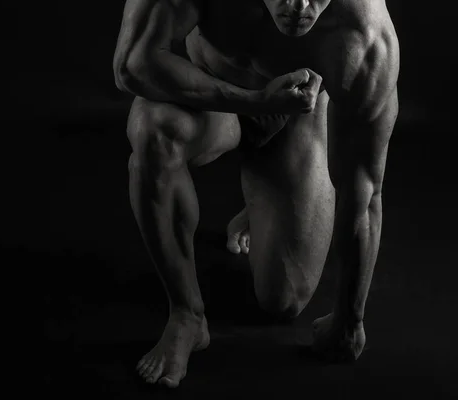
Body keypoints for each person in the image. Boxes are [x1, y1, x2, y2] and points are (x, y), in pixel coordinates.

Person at [113, 0, 399, 388]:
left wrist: (350, 318)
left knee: (283, 301)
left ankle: (260, 201)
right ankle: (187, 315)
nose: (299, 6)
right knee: (152, 133)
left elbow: (364, 186)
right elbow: (132, 64)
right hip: (207, 98)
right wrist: (255, 101)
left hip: (295, 112)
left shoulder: (362, 32)